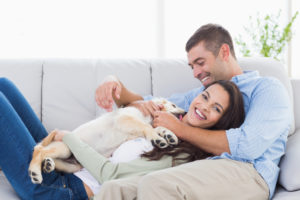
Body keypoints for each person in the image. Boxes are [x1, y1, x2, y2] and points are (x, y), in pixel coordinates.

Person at [94, 23, 292, 200]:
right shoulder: (201, 95)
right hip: (205, 168)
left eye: (200, 62)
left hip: (250, 173)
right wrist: (114, 85)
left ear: (224, 52)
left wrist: (180, 129)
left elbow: (248, 146)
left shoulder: (266, 89)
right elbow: (150, 104)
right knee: (114, 189)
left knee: (156, 184)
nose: (196, 73)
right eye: (192, 66)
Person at [0, 76, 243, 200]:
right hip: (63, 163)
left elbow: (111, 176)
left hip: (61, 189)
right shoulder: (167, 118)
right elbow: (124, 112)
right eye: (206, 96)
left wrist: (70, 139)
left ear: (220, 123)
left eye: (216, 109)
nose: (204, 106)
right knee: (4, 85)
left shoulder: (182, 155)